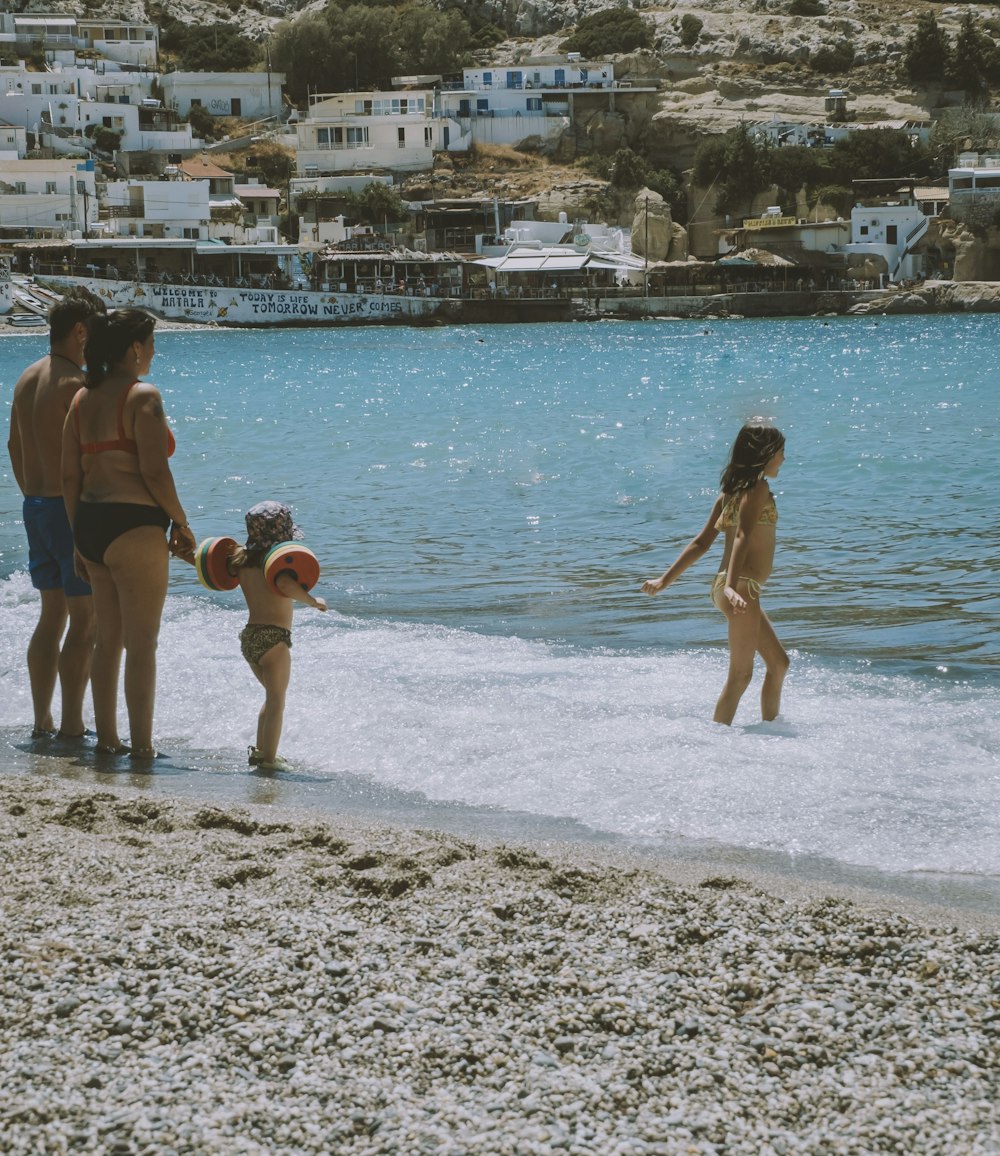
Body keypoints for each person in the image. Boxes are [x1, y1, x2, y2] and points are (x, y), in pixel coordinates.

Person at [61, 309, 195, 758]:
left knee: (107, 641)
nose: (154, 352)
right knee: (142, 643)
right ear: (135, 348)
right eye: (151, 343)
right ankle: (141, 748)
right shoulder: (144, 396)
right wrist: (182, 521)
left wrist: (78, 536)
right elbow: (155, 472)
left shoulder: (81, 400)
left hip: (92, 524)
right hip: (134, 525)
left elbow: (69, 478)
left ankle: (107, 741)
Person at [641, 421, 789, 726]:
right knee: (740, 676)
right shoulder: (758, 488)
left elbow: (701, 543)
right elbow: (742, 537)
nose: (783, 459)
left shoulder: (728, 494)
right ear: (764, 454)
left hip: (728, 586)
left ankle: (772, 733)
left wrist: (664, 580)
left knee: (778, 663)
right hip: (740, 587)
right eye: (780, 452)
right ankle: (715, 745)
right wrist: (733, 587)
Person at [7, 289, 105, 739]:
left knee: (52, 616)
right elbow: (88, 460)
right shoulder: (75, 385)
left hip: (34, 506)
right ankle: (72, 724)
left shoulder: (26, 377)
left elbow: (12, 447)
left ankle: (42, 719)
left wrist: (35, 495)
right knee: (85, 620)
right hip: (67, 512)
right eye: (97, 332)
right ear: (81, 332)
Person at [227, 501, 327, 772]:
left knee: (271, 698)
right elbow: (284, 585)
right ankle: (269, 761)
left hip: (250, 638)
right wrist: (311, 600)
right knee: (277, 701)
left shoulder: (242, 563)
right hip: (274, 638)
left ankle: (261, 753)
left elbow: (213, 565)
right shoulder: (277, 569)